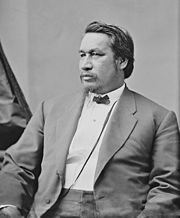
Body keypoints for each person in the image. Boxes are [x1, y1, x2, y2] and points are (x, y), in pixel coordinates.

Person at [0, 21, 180, 218]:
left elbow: (168, 187)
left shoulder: (159, 119)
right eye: (82, 55)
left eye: (96, 55)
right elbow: (18, 165)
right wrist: (9, 207)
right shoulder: (50, 109)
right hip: (48, 211)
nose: (85, 64)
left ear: (122, 61)